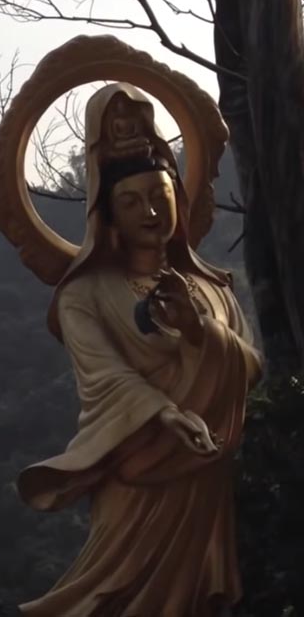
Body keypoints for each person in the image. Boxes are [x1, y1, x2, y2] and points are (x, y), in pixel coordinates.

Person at [17, 83, 262, 616]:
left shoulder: (212, 288)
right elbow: (104, 378)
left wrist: (202, 333)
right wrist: (167, 414)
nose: (150, 211)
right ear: (107, 215)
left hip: (204, 478)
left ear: (179, 194)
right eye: (131, 201)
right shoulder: (85, 296)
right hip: (139, 478)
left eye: (160, 196)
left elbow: (252, 368)